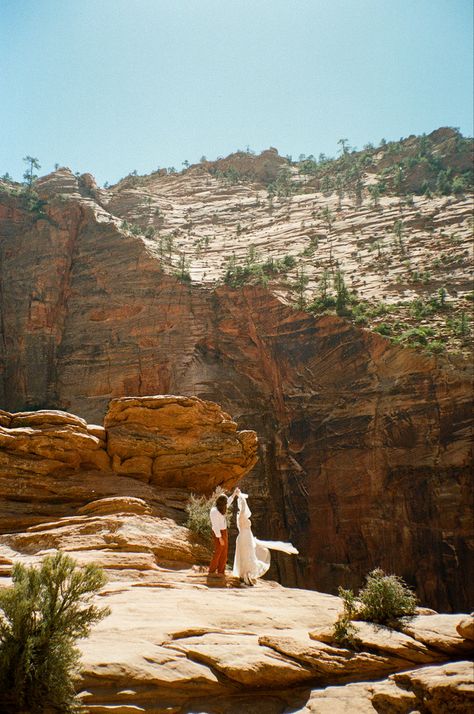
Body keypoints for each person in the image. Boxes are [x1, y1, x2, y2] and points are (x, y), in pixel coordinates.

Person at [233, 489, 298, 586]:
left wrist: (239, 496)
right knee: (247, 555)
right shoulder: (242, 515)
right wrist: (240, 497)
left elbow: (242, 508)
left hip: (244, 537)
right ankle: (246, 575)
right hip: (245, 537)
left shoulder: (239, 516)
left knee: (246, 555)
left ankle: (245, 574)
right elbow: (243, 507)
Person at [208, 489, 238, 578]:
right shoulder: (214, 512)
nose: (226, 505)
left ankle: (221, 572)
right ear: (221, 503)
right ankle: (211, 571)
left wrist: (234, 494)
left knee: (224, 552)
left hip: (224, 532)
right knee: (218, 551)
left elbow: (228, 502)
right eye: (225, 503)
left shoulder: (222, 507)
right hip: (218, 533)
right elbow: (216, 526)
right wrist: (220, 538)